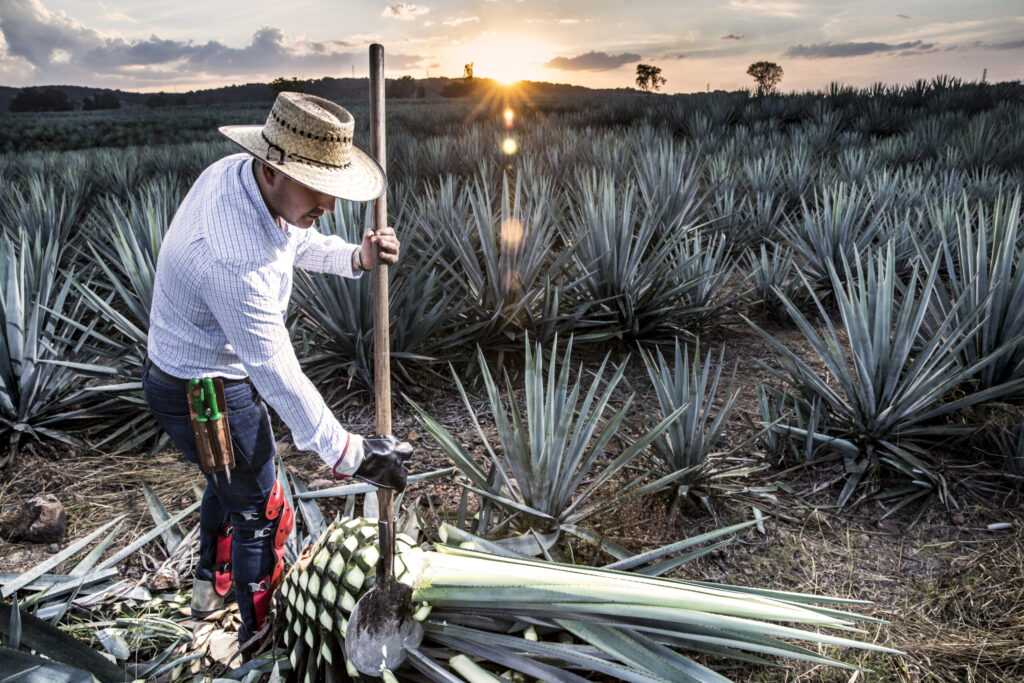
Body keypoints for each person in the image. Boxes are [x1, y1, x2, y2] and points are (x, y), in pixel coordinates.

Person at [142, 92, 413, 657]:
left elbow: (293, 235)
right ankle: (261, 641)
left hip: (185, 370)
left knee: (233, 484)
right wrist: (354, 455)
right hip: (206, 390)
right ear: (271, 170)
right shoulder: (233, 257)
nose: (330, 206)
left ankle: (207, 590)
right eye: (318, 189)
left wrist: (354, 258)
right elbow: (277, 373)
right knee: (264, 513)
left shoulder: (240, 178)